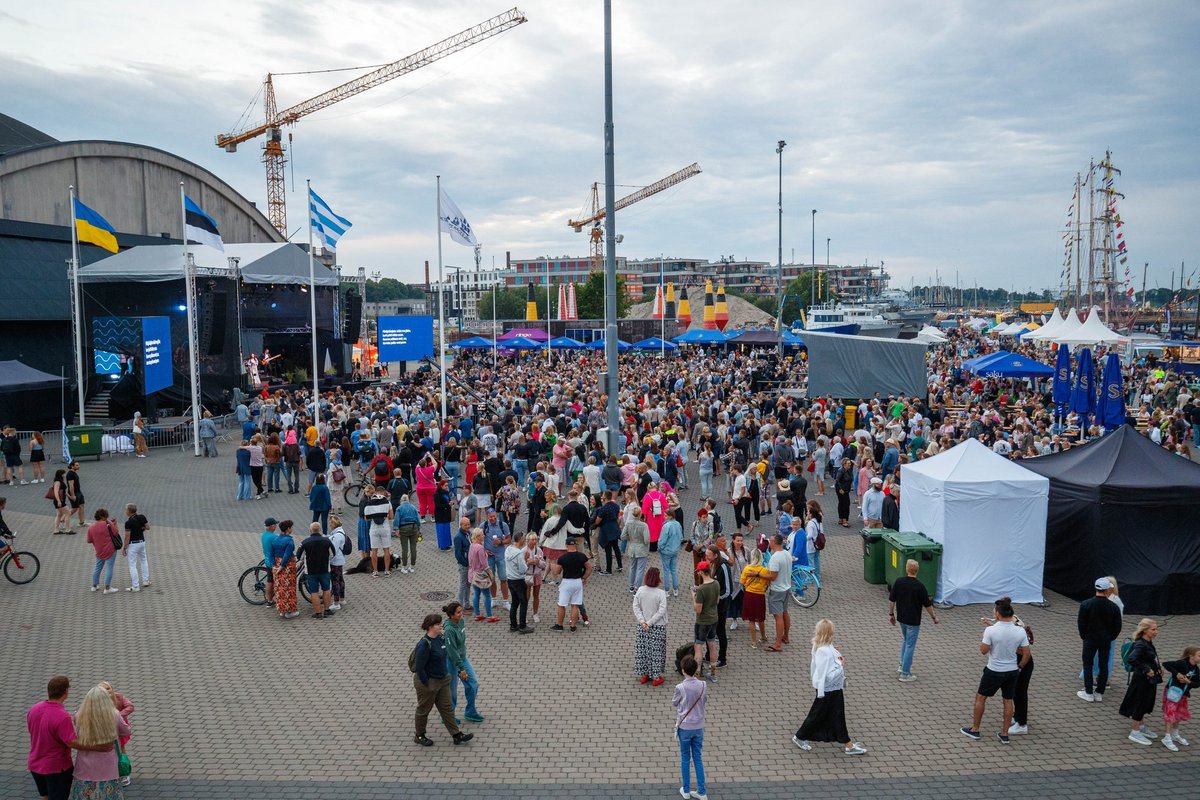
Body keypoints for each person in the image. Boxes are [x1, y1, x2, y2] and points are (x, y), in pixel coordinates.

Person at [27, 676, 112, 800]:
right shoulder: (62, 716)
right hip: (56, 769)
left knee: (45, 796)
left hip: (35, 765)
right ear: (66, 692)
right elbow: (71, 742)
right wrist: (98, 747)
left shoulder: (34, 709)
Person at [792, 618, 868, 755]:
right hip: (829, 689)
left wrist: (833, 650)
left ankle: (846, 743)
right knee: (829, 714)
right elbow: (827, 676)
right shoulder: (824, 651)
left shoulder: (820, 645)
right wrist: (840, 664)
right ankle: (847, 745)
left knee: (825, 714)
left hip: (830, 689)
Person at [959, 599, 1030, 744]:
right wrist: (1020, 667)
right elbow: (1026, 654)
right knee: (1008, 701)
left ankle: (975, 729)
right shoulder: (1019, 631)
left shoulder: (990, 630)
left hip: (994, 670)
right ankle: (1004, 733)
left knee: (981, 698)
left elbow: (983, 651)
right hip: (1012, 671)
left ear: (998, 614)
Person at [411, 613, 473, 746]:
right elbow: (419, 668)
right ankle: (419, 735)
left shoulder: (441, 638)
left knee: (447, 708)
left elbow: (450, 652)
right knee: (424, 710)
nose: (441, 626)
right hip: (428, 682)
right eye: (438, 624)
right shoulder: (424, 644)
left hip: (443, 680)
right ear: (430, 627)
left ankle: (456, 735)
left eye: (440, 624)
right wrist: (427, 684)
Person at [69, 684, 131, 799]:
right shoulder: (114, 714)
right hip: (109, 768)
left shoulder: (78, 715)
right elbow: (126, 731)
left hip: (84, 768)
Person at [888, 558, 938, 681]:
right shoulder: (920, 586)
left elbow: (892, 600)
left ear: (907, 569)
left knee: (905, 640)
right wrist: (934, 617)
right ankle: (905, 673)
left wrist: (891, 614)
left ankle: (901, 665)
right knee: (910, 645)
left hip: (902, 619)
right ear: (917, 571)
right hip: (913, 621)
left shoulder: (899, 582)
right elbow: (927, 605)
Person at [1076, 576, 1123, 702]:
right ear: (1107, 589)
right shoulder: (1113, 607)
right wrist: (1110, 637)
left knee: (1088, 665)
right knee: (1103, 665)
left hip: (1090, 640)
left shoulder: (1086, 604)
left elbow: (1081, 623)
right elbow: (1117, 626)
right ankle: (1099, 692)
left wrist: (1084, 636)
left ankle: (1088, 692)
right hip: (1105, 640)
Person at [1119, 618, 1163, 745]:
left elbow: (1149, 658)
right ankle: (1135, 731)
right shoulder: (1141, 644)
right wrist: (1146, 669)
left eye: (1156, 629)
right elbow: (1132, 659)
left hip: (1148, 680)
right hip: (1141, 680)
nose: (1156, 632)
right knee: (1140, 703)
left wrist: (1157, 668)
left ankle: (1141, 726)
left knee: (1145, 703)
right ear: (1145, 631)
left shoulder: (1148, 643)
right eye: (1153, 629)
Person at [441, 601, 485, 724]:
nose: (461, 614)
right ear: (451, 615)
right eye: (458, 612)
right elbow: (452, 651)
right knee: (452, 691)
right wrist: (462, 668)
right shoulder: (449, 629)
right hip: (452, 662)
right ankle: (448, 716)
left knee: (473, 684)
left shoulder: (461, 622)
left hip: (462, 658)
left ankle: (470, 711)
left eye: (461, 611)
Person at [672, 656, 708, 800]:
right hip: (699, 726)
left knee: (685, 758)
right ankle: (702, 791)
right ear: (695, 670)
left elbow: (675, 702)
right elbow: (704, 701)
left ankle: (686, 790)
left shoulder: (680, 687)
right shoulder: (704, 685)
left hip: (685, 727)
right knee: (698, 758)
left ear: (683, 670)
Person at [633, 566, 669, 686]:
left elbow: (636, 606)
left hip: (642, 626)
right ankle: (656, 677)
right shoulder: (661, 593)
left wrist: (642, 621)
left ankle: (645, 674)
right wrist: (650, 622)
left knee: (643, 650)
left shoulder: (640, 590)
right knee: (657, 651)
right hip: (658, 627)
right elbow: (661, 611)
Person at [1160, 645, 1199, 751]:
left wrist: (1189, 682)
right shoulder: (1182, 663)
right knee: (1170, 713)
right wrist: (1177, 674)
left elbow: (1197, 683)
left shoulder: (1196, 669)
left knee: (1178, 713)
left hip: (1183, 694)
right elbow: (1166, 664)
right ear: (1191, 655)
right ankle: (1167, 737)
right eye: (1199, 655)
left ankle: (1174, 734)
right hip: (1172, 693)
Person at [551, 537, 591, 632]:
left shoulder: (563, 558)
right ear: (575, 545)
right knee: (575, 605)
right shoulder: (582, 556)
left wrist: (552, 566)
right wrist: (584, 577)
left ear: (566, 545)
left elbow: (557, 572)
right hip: (577, 582)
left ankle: (559, 625)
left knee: (562, 605)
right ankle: (573, 626)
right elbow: (589, 567)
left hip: (566, 582)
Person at [299, 522, 336, 619]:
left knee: (314, 592)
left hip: (311, 571)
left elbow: (299, 556)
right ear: (319, 530)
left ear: (310, 530)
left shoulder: (305, 542)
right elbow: (333, 554)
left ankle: (318, 613)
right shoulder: (327, 541)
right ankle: (327, 610)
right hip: (324, 569)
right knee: (326, 589)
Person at [691, 561, 720, 683]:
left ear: (702, 572)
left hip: (702, 622)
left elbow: (698, 610)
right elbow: (717, 601)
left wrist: (693, 595)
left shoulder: (702, 589)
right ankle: (713, 674)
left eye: (698, 571)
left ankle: (696, 676)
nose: (697, 573)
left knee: (698, 647)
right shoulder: (716, 583)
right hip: (714, 619)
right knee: (712, 644)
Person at [764, 534, 792, 652]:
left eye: (770, 541)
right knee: (785, 612)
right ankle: (785, 636)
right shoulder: (786, 553)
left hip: (777, 590)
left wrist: (759, 575)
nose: (769, 542)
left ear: (774, 543)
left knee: (778, 616)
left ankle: (777, 643)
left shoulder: (775, 557)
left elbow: (773, 576)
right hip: (786, 587)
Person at [739, 548, 771, 648]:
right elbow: (768, 583)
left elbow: (742, 582)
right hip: (760, 596)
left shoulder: (747, 569)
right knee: (761, 618)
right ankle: (763, 636)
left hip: (749, 595)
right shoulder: (765, 570)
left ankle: (754, 642)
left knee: (751, 620)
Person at [468, 528, 500, 622]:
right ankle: (490, 616)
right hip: (481, 575)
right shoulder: (480, 547)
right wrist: (491, 574)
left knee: (476, 594)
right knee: (486, 595)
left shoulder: (472, 545)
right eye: (482, 535)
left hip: (473, 574)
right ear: (478, 536)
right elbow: (484, 564)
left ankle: (477, 614)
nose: (484, 536)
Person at [270, 520, 300, 620]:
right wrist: (282, 566)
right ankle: (289, 611)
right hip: (287, 567)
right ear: (288, 529)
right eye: (291, 527)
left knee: (279, 588)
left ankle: (281, 610)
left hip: (276, 564)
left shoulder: (275, 540)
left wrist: (274, 566)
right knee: (289, 588)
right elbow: (287, 555)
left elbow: (271, 555)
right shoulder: (289, 541)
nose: (292, 529)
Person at [86, 509, 121, 594]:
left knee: (97, 567)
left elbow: (89, 540)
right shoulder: (108, 524)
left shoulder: (91, 527)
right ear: (104, 516)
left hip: (99, 550)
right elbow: (116, 533)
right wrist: (112, 523)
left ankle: (94, 586)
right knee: (109, 568)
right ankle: (107, 588)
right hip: (110, 550)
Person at [504, 530, 532, 633]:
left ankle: (513, 625)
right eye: (524, 539)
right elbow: (523, 569)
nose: (525, 541)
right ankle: (523, 626)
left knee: (514, 602)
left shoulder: (508, 550)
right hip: (519, 580)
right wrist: (526, 561)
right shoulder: (519, 553)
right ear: (520, 540)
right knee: (523, 602)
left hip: (510, 580)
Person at [363, 485, 393, 577]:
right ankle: (387, 570)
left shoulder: (370, 502)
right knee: (386, 549)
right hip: (385, 528)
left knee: (374, 551)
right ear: (384, 492)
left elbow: (366, 518)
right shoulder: (387, 502)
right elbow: (392, 517)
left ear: (376, 492)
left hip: (374, 528)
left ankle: (375, 571)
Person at [620, 506, 650, 593]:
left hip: (631, 548)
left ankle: (631, 586)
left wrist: (630, 538)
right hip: (641, 550)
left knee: (632, 567)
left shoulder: (628, 523)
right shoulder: (644, 525)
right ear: (640, 514)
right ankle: (637, 588)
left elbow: (622, 536)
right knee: (640, 569)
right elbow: (646, 539)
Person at [122, 504, 151, 592]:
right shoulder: (142, 517)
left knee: (132, 565)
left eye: (126, 510)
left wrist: (124, 548)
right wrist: (141, 529)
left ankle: (136, 586)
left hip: (133, 545)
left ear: (129, 512)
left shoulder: (128, 523)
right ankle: (146, 581)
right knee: (143, 560)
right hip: (142, 542)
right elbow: (148, 527)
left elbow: (127, 537)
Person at [658, 507, 684, 596]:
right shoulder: (678, 524)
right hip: (675, 550)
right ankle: (676, 589)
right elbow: (681, 537)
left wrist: (660, 547)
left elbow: (662, 540)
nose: (664, 517)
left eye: (665, 515)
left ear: (670, 516)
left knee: (666, 570)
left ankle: (666, 590)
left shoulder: (666, 526)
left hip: (666, 551)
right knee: (673, 569)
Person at [393, 494, 421, 574]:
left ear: (401, 500)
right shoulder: (413, 507)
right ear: (408, 500)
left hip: (404, 529)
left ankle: (404, 567)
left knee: (405, 549)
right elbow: (417, 519)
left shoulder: (399, 508)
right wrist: (418, 528)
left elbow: (396, 520)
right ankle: (412, 566)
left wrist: (396, 529)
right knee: (413, 548)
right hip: (413, 527)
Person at [328, 514, 348, 611]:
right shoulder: (341, 532)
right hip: (340, 559)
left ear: (333, 524)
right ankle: (342, 598)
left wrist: (328, 559)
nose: (329, 525)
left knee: (335, 581)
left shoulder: (336, 536)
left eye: (330, 523)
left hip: (335, 560)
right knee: (340, 579)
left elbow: (333, 550)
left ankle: (336, 602)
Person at [50, 469, 72, 534]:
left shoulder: (59, 481)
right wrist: (59, 501)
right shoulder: (57, 482)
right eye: (64, 473)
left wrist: (69, 496)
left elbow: (63, 491)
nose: (65, 475)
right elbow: (56, 492)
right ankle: (67, 529)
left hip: (60, 500)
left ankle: (56, 530)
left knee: (59, 514)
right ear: (61, 474)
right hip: (59, 501)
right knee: (68, 513)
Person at [66, 461, 85, 529]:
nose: (78, 466)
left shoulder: (74, 473)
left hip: (79, 492)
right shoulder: (70, 474)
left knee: (81, 506)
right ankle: (62, 520)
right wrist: (73, 495)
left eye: (78, 465)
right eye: (77, 465)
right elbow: (71, 486)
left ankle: (81, 522)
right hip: (75, 493)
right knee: (75, 508)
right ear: (72, 466)